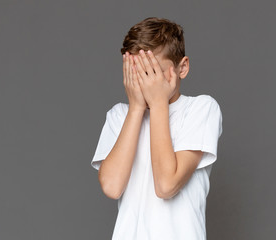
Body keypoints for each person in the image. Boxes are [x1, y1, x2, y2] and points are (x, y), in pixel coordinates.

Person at [91, 17, 223, 240]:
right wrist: (135, 109)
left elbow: (166, 185)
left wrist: (159, 104)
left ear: (182, 68)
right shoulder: (119, 115)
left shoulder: (201, 109)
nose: (147, 83)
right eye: (138, 73)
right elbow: (112, 187)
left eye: (153, 72)